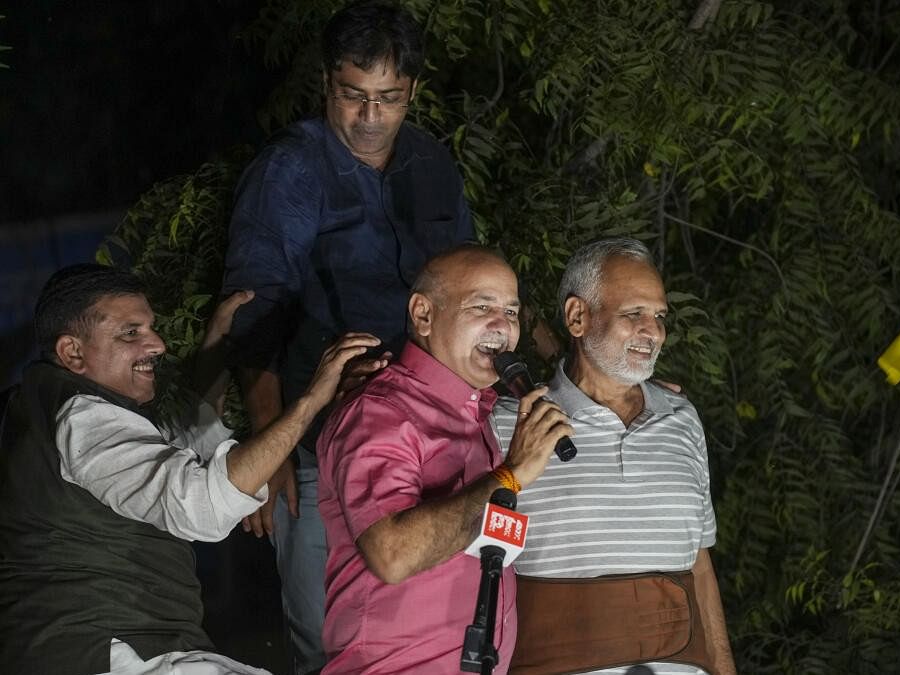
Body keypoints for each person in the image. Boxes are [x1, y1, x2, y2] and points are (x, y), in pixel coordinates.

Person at [220, 3, 474, 671]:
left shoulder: (433, 165)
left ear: (412, 92)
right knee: (326, 636)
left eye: (388, 98)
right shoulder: (291, 169)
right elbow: (254, 306)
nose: (370, 116)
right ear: (327, 84)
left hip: (433, 437)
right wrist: (269, 440)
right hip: (320, 445)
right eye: (353, 95)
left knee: (439, 623)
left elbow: (470, 290)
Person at [0, 264, 380, 675]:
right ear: (72, 352)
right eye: (131, 333)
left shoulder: (47, 408)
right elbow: (201, 505)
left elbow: (185, 440)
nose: (158, 344)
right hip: (107, 653)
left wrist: (217, 340)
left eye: (151, 328)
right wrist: (312, 400)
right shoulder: (82, 419)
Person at [317, 245, 573, 674]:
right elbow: (392, 554)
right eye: (481, 306)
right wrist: (510, 476)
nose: (502, 326)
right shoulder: (379, 411)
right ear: (423, 315)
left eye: (511, 312)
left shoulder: (480, 415)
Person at [492, 238, 737, 674]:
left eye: (660, 316)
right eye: (634, 314)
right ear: (577, 317)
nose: (655, 331)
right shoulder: (510, 423)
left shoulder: (681, 418)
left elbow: (699, 565)